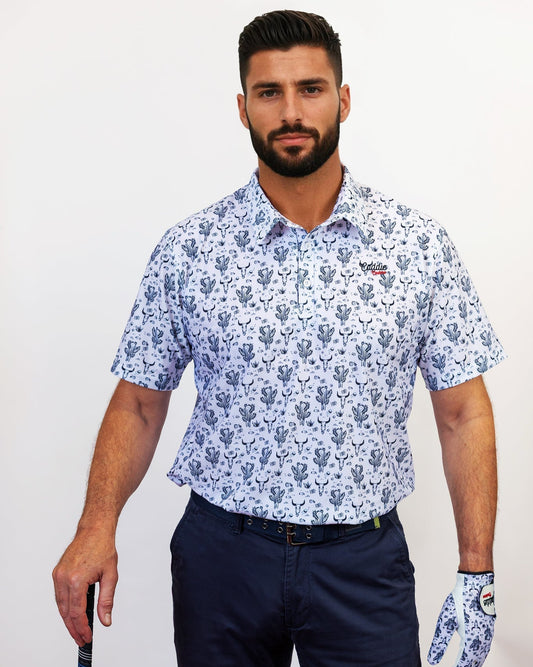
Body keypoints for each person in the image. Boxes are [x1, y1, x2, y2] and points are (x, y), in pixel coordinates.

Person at [53, 9, 505, 666]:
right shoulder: (191, 249)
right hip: (222, 558)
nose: (291, 111)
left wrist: (476, 567)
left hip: (363, 563)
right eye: (269, 92)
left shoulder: (417, 247)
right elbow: (139, 403)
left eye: (310, 89)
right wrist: (95, 525)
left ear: (342, 99)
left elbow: (463, 412)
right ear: (243, 108)